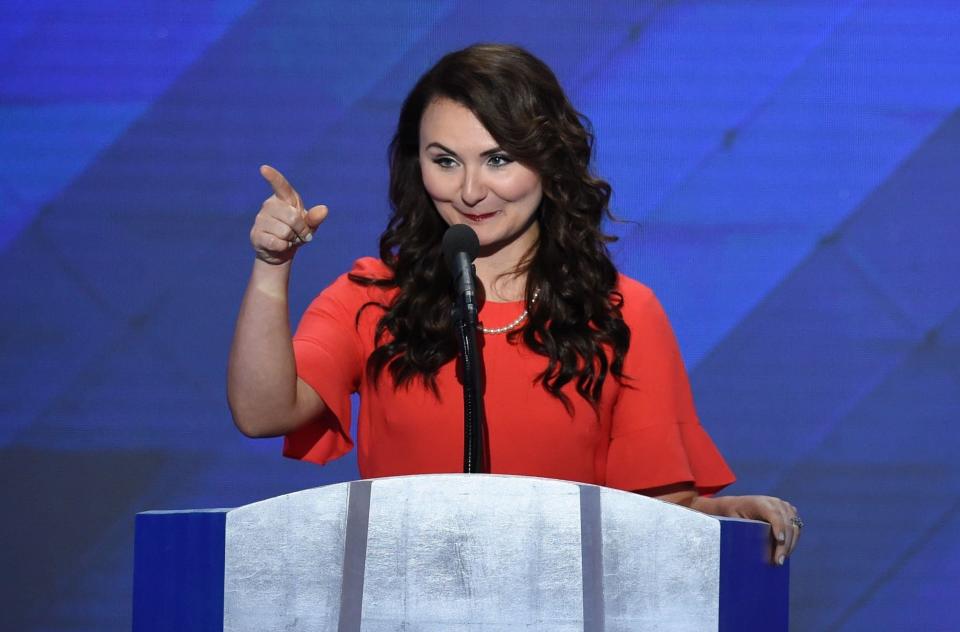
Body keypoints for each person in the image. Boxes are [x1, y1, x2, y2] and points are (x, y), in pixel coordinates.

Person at [227, 44, 802, 565]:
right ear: (415, 164)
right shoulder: (374, 296)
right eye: (445, 160)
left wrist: (725, 517)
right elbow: (263, 413)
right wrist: (272, 268)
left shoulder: (623, 312)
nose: (471, 190)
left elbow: (655, 511)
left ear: (549, 161)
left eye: (498, 159)